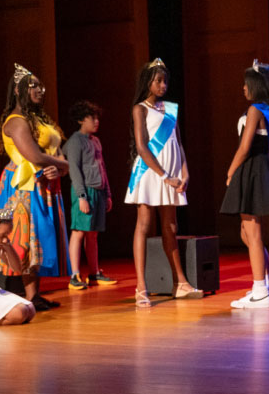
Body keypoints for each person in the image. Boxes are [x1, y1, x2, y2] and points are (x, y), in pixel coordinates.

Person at [0, 64, 70, 311]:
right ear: (19, 90)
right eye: (33, 86)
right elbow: (34, 156)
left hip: (44, 183)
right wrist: (62, 163)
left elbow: (51, 154)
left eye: (41, 85)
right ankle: (28, 295)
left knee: (41, 236)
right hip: (24, 186)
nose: (40, 90)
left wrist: (58, 169)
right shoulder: (16, 122)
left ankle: (34, 295)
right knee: (27, 236)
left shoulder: (39, 120)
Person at [125, 58, 197, 308]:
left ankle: (180, 283)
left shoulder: (170, 108)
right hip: (151, 173)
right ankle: (141, 287)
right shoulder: (140, 109)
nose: (163, 85)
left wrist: (185, 173)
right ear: (148, 82)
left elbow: (178, 142)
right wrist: (165, 175)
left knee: (171, 227)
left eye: (165, 80)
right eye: (158, 80)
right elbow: (143, 147)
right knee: (144, 226)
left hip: (173, 173)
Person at [221, 60, 269, 308]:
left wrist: (230, 173)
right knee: (248, 232)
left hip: (252, 170)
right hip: (263, 169)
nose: (243, 88)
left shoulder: (255, 110)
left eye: (247, 84)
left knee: (252, 231)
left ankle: (259, 289)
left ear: (257, 86)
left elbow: (244, 147)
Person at [63, 100, 115, 290]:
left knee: (92, 235)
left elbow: (102, 167)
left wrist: (107, 193)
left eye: (96, 118)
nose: (96, 121)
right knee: (78, 232)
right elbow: (74, 170)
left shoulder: (96, 140)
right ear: (80, 120)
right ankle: (75, 275)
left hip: (98, 191)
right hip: (83, 191)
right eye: (91, 118)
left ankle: (94, 273)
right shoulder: (75, 141)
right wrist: (82, 196)